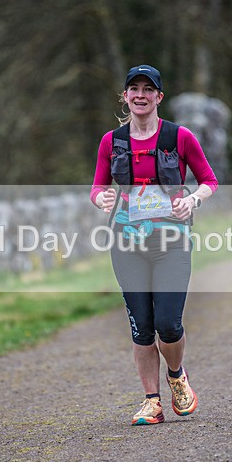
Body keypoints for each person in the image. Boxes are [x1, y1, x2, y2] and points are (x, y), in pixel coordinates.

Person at [90, 64, 218, 425]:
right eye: (134, 89)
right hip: (127, 243)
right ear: (126, 96)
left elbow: (209, 180)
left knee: (168, 324)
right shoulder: (111, 141)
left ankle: (176, 375)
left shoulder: (179, 138)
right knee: (141, 328)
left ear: (159, 97)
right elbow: (98, 187)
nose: (141, 95)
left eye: (149, 89)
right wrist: (100, 199)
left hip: (171, 242)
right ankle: (152, 402)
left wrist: (191, 200)